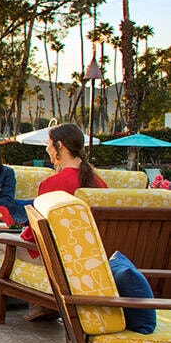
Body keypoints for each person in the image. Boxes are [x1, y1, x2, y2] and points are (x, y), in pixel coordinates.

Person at [19, 123, 107, 321]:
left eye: (49, 144)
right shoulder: (99, 183)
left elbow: (36, 232)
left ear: (60, 146)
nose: (47, 149)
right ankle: (44, 304)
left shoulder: (52, 184)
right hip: (92, 259)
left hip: (60, 259)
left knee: (1, 243)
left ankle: (43, 301)